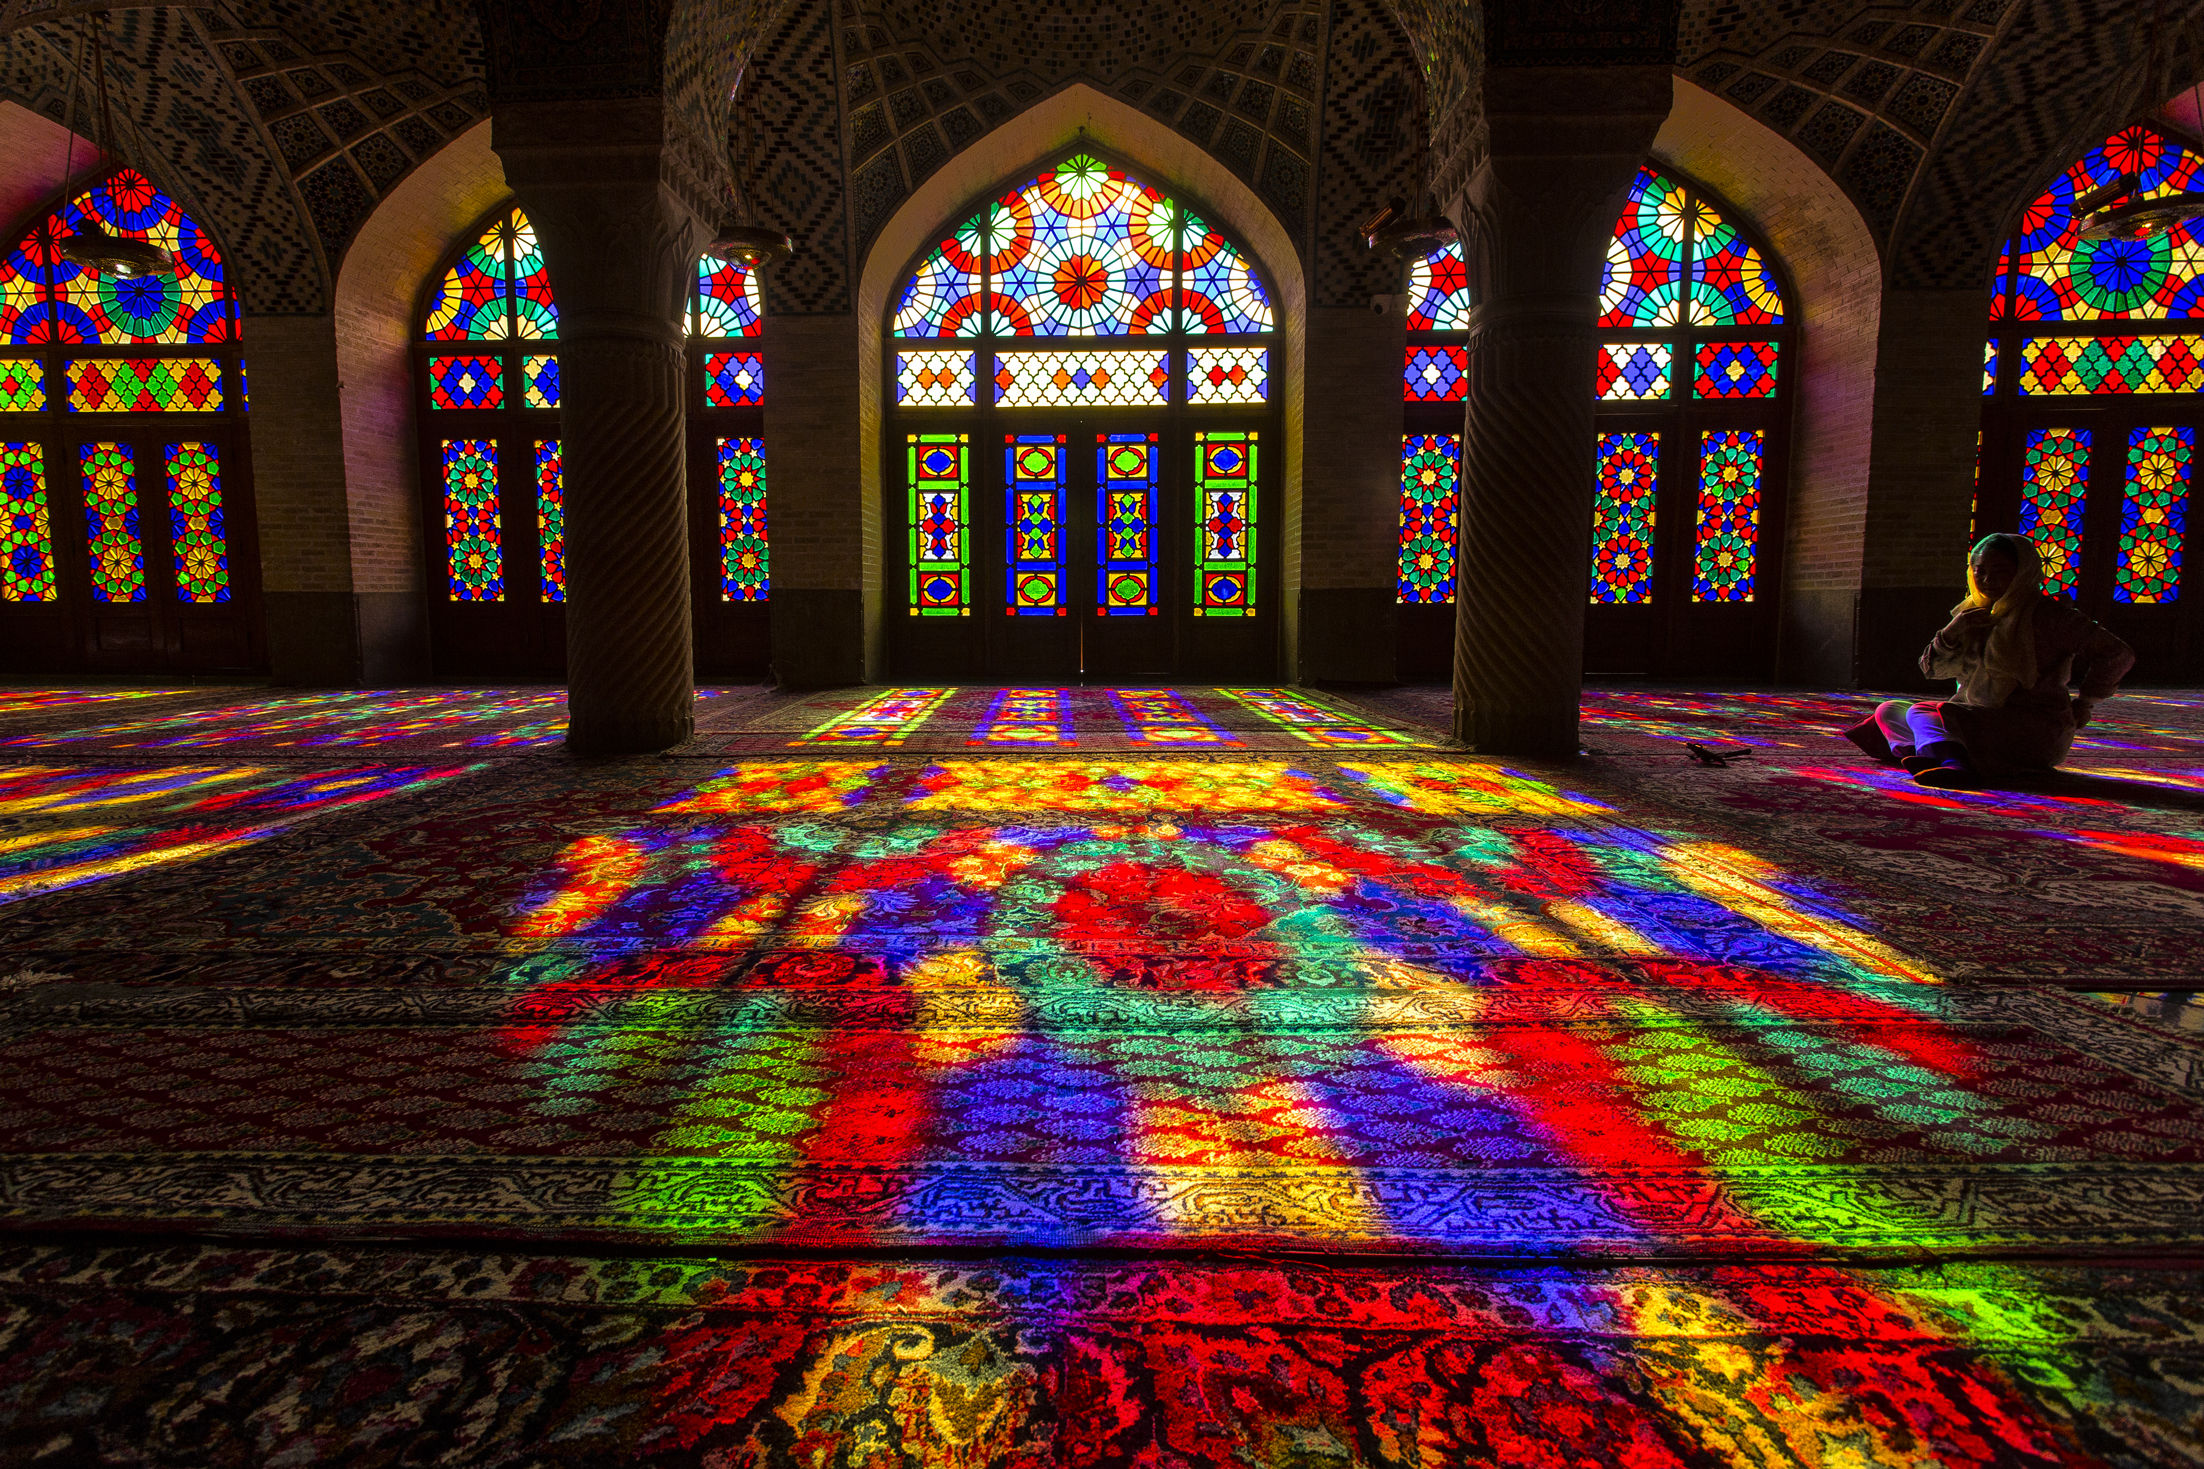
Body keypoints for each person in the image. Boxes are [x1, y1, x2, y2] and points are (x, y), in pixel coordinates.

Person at [1843, 532, 2134, 788]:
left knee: (1923, 712)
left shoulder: (2050, 616)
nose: (1987, 580)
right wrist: (1952, 631)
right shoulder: (1973, 614)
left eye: (2000, 571)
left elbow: (2118, 653)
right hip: (1976, 720)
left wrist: (2085, 702)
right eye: (1980, 571)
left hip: (2032, 729)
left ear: (2023, 572)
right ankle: (1936, 755)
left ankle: (1952, 764)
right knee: (1890, 709)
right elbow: (1931, 669)